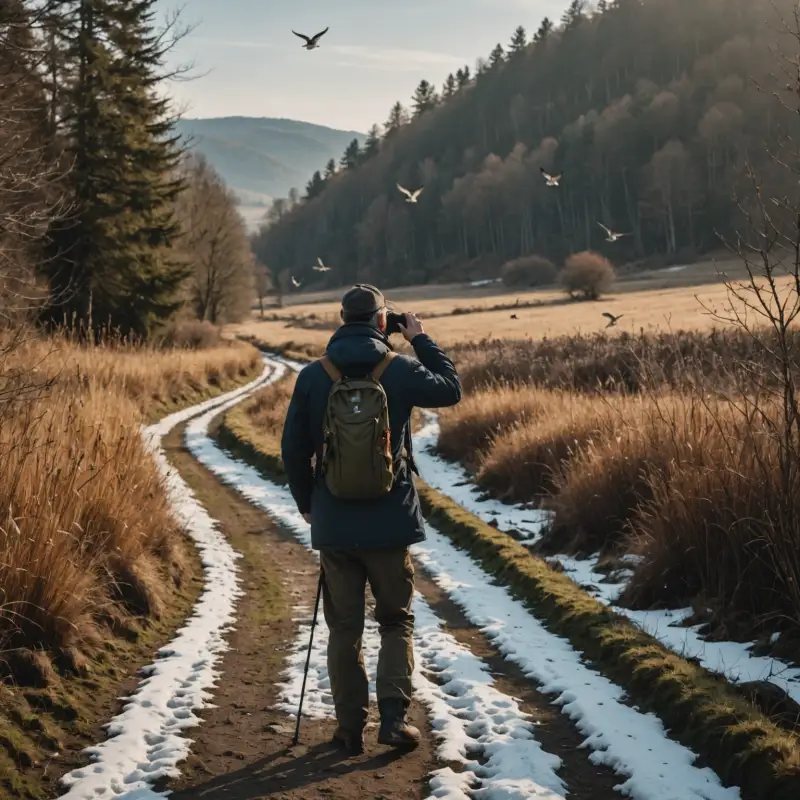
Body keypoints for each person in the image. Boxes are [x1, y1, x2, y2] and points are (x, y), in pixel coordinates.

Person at [281, 283, 461, 755]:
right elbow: (451, 389)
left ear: (342, 318)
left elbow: (292, 449)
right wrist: (419, 338)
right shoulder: (397, 369)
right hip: (390, 521)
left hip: (336, 523)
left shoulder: (313, 375)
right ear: (384, 322)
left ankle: (347, 731)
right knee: (395, 621)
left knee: (344, 629)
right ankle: (395, 723)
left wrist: (308, 503)